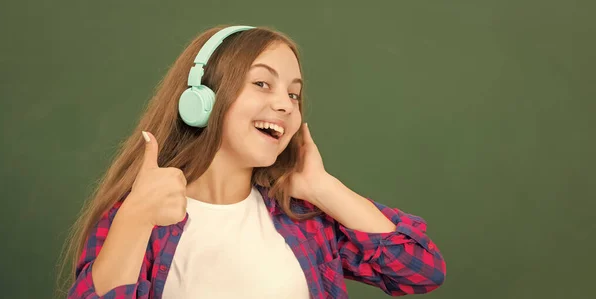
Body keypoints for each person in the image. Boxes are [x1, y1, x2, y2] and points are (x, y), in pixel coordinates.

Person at [61, 25, 446, 299]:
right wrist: (135, 219)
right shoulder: (140, 219)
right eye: (262, 83)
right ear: (201, 100)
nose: (284, 103)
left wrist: (322, 187)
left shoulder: (302, 218)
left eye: (294, 95)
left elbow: (420, 271)